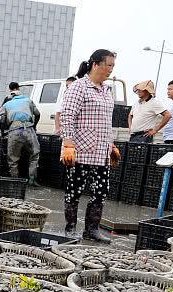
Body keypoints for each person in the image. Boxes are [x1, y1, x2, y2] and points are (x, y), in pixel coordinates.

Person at [60, 49, 121, 243]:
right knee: (74, 191)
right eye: (108, 65)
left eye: (113, 66)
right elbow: (67, 116)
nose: (111, 69)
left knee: (101, 192)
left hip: (102, 153)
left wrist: (111, 145)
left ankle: (92, 229)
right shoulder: (78, 87)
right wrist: (68, 144)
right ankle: (70, 229)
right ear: (95, 64)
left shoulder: (107, 91)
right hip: (80, 151)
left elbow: (106, 122)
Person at [0, 89, 40, 185]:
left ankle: (15, 181)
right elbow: (37, 114)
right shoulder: (28, 101)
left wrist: (3, 133)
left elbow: (2, 121)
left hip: (14, 130)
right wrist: (34, 126)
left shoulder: (6, 104)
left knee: (13, 158)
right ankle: (32, 179)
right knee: (34, 154)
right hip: (28, 129)